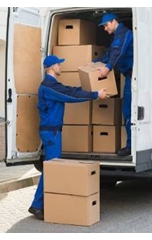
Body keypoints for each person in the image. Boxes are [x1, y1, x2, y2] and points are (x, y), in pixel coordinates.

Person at [28, 54, 108, 220]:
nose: (61, 67)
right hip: (52, 132)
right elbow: (70, 96)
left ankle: (41, 203)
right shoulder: (49, 87)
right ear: (51, 67)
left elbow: (70, 91)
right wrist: (95, 94)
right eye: (59, 64)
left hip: (53, 131)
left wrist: (87, 89)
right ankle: (37, 205)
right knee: (51, 169)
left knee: (51, 168)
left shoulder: (53, 85)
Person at [95, 12, 133, 156]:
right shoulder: (117, 36)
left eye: (106, 25)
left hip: (134, 77)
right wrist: (93, 64)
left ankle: (131, 146)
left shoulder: (124, 33)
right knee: (127, 110)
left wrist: (107, 68)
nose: (105, 29)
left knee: (129, 111)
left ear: (114, 21)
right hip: (129, 76)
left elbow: (118, 52)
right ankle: (130, 145)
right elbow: (110, 54)